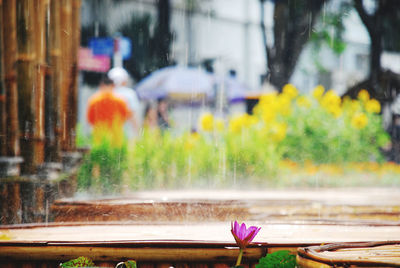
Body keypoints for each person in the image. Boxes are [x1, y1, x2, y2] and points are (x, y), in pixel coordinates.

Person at [87, 76, 131, 146]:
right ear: (113, 86)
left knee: (100, 155)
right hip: (115, 134)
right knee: (115, 155)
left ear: (101, 86)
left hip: (99, 135)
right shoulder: (120, 101)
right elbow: (125, 116)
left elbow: (90, 119)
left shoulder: (94, 100)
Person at [107, 67, 140, 138]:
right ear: (125, 81)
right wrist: (137, 134)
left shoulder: (105, 95)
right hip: (125, 133)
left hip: (107, 134)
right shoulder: (130, 94)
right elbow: (133, 116)